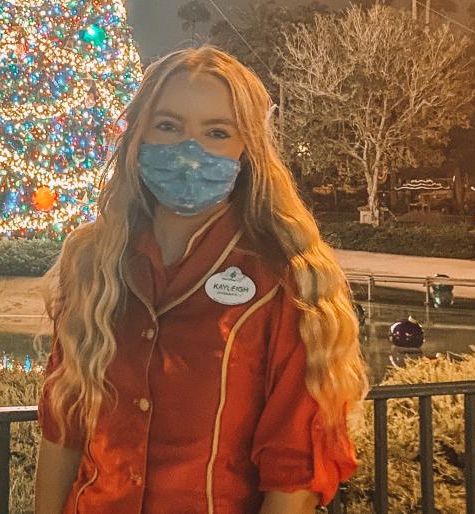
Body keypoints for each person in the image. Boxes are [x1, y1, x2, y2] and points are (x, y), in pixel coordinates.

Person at [35, 46, 367, 514]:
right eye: (168, 126)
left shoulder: (287, 279)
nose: (190, 152)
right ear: (138, 136)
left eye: (216, 132)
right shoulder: (93, 263)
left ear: (246, 148)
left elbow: (295, 468)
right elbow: (62, 429)